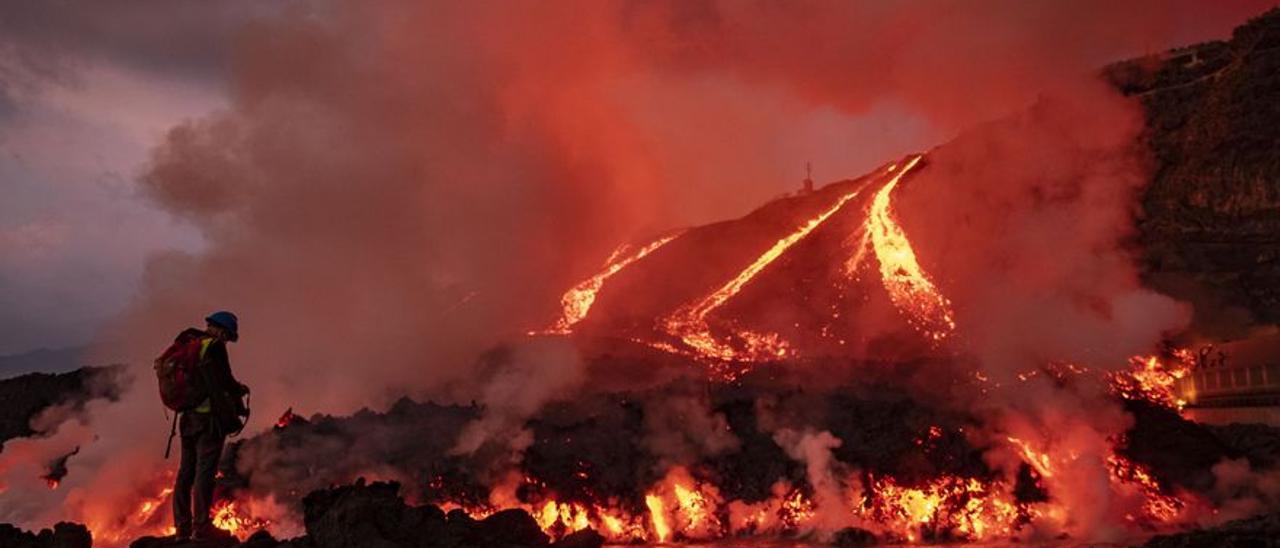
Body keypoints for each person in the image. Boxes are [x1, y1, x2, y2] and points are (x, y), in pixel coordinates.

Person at [173, 311, 249, 541]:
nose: (226, 340)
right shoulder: (214, 347)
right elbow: (225, 381)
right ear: (221, 330)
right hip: (208, 423)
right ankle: (201, 528)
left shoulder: (189, 343)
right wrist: (241, 390)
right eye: (227, 335)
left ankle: (181, 530)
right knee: (204, 475)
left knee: (185, 474)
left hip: (186, 421)